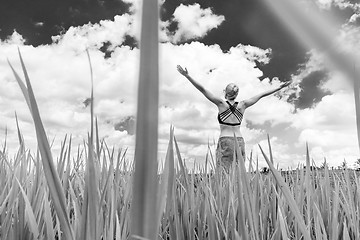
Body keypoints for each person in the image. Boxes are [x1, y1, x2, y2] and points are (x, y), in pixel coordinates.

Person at [177, 65, 291, 171]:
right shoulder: (243, 105)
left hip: (225, 140)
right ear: (236, 94)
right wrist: (278, 88)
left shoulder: (221, 104)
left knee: (223, 174)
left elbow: (203, 90)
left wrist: (187, 76)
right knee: (238, 173)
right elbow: (261, 95)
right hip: (240, 141)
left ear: (225, 93)